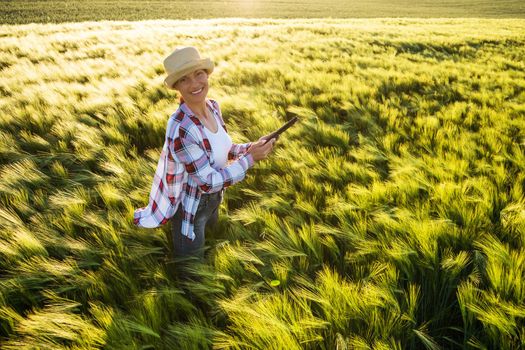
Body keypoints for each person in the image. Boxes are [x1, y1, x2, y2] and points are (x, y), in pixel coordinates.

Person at [133, 46, 277, 260]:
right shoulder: (181, 129)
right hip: (191, 207)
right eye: (184, 79)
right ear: (177, 87)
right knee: (191, 267)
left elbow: (224, 150)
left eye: (198, 74)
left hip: (215, 198)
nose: (194, 84)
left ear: (207, 75)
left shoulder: (213, 107)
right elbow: (207, 182)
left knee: (211, 245)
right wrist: (250, 159)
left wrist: (250, 147)